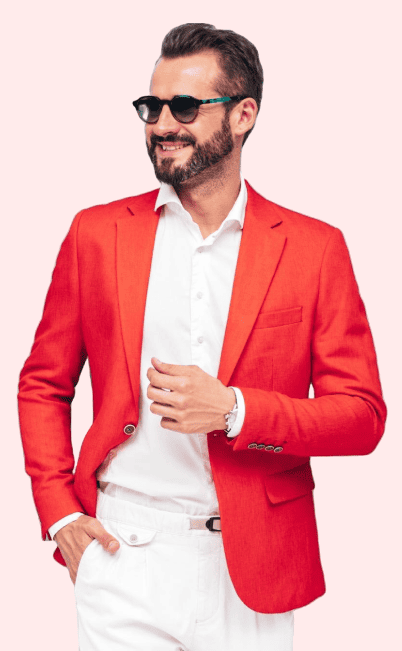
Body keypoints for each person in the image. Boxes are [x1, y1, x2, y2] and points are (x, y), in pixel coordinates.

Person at [18, 22, 386, 651]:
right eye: (152, 106)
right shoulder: (96, 235)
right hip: (122, 552)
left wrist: (236, 410)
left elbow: (362, 417)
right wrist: (60, 514)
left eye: (185, 106)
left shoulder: (315, 249)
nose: (162, 124)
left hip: (254, 565)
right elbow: (43, 384)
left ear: (244, 115)